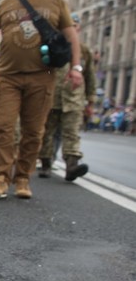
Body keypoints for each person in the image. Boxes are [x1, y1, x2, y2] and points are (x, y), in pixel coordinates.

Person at [0, 0, 83, 199]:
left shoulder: (55, 2)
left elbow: (71, 37)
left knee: (33, 131)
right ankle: (0, 178)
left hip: (43, 76)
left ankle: (22, 179)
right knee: (3, 128)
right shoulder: (6, 3)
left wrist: (76, 68)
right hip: (7, 75)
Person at [38, 12, 96, 182]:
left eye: (75, 26)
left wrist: (90, 101)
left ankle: (72, 165)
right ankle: (46, 163)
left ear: (78, 29)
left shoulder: (84, 51)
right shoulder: (52, 45)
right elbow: (44, 70)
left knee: (71, 133)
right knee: (47, 133)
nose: (72, 29)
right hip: (52, 98)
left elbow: (90, 76)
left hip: (74, 98)